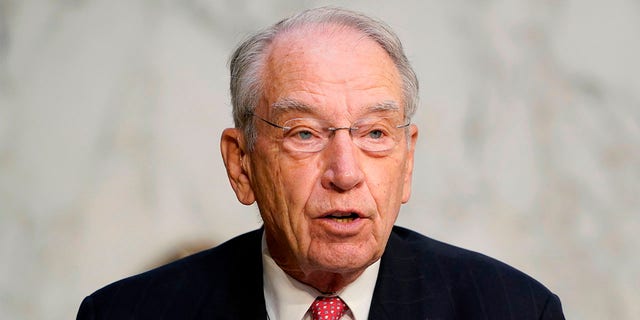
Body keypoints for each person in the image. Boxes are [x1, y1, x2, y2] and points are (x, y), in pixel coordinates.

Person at [77, 7, 565, 319]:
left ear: (408, 160)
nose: (345, 173)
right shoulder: (128, 314)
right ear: (241, 164)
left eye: (374, 133)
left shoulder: (515, 309)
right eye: (305, 134)